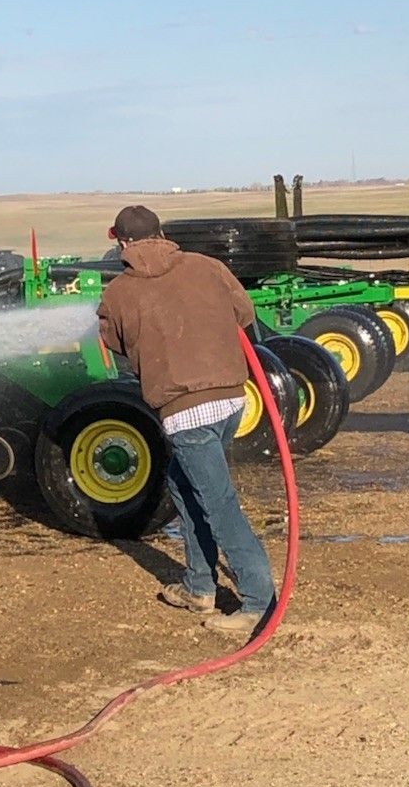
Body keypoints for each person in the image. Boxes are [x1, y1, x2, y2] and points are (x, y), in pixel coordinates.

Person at [97, 205, 276, 633]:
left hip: (185, 412)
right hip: (232, 400)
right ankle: (199, 586)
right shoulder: (207, 266)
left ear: (121, 243)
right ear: (161, 233)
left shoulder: (118, 292)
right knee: (181, 481)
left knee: (219, 504)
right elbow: (245, 314)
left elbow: (115, 343)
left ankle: (258, 600)